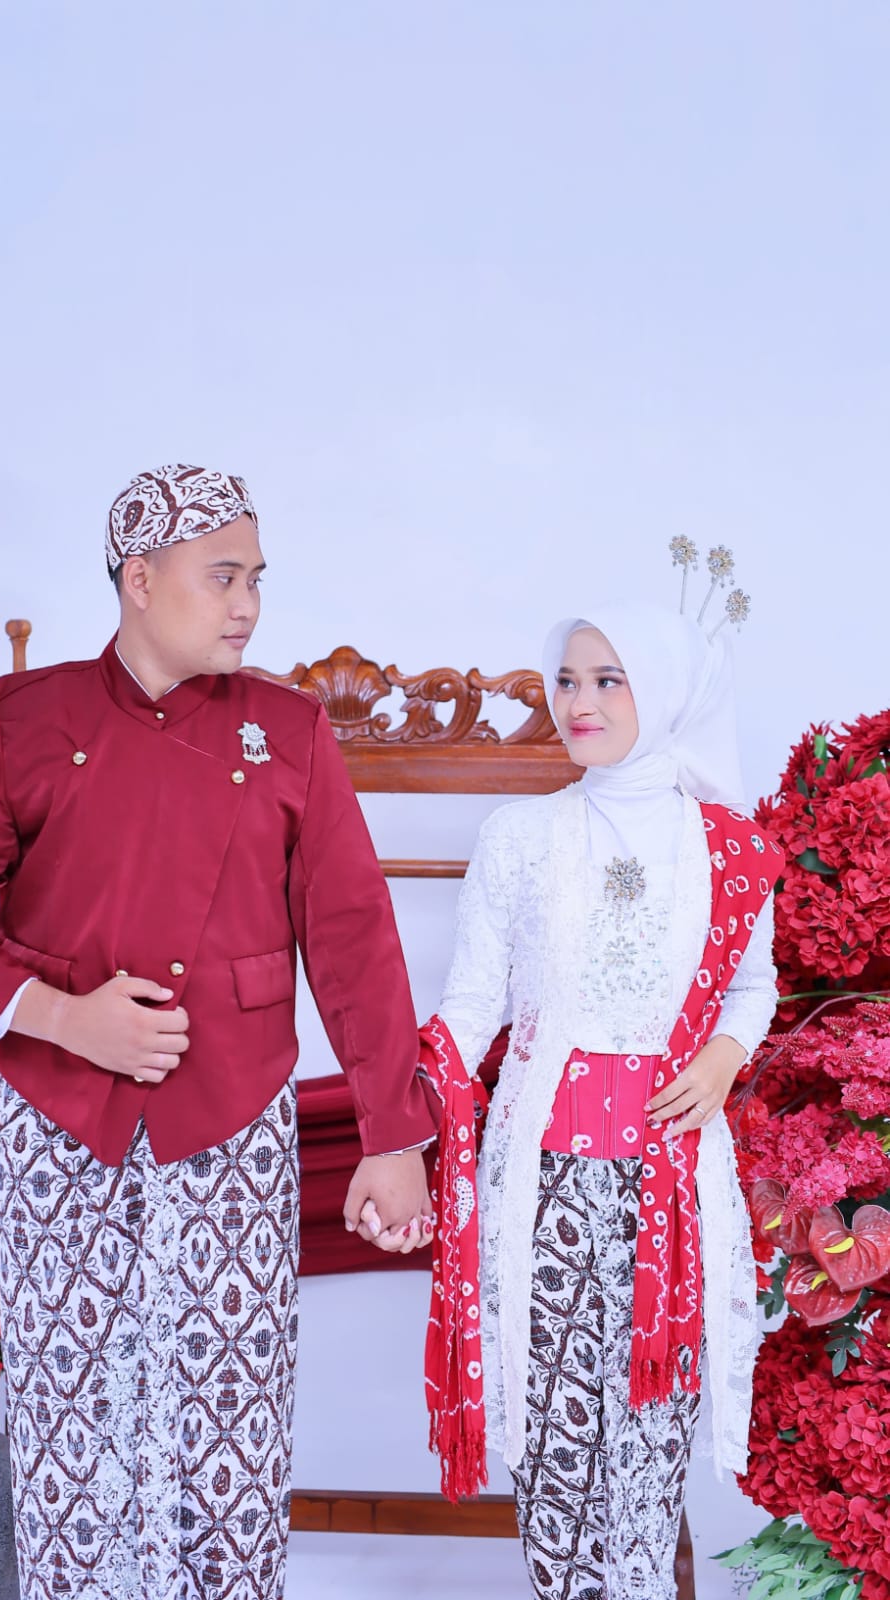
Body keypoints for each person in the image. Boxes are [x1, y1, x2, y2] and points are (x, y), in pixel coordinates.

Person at [0, 463, 436, 1600]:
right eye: (222, 576)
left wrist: (391, 1133)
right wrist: (64, 1019)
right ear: (140, 579)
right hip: (58, 1127)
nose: (248, 605)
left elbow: (352, 940)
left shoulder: (289, 730)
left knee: (230, 1442)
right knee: (71, 1438)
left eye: (257, 579)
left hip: (232, 1120)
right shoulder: (24, 719)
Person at [435, 582, 781, 1599]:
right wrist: (408, 1100)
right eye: (566, 680)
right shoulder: (520, 835)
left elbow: (752, 985)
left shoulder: (729, 848)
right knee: (554, 1451)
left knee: (645, 1453)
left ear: (664, 690)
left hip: (667, 1192)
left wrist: (723, 1055)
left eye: (607, 680)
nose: (577, 702)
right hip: (541, 1190)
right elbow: (471, 1002)